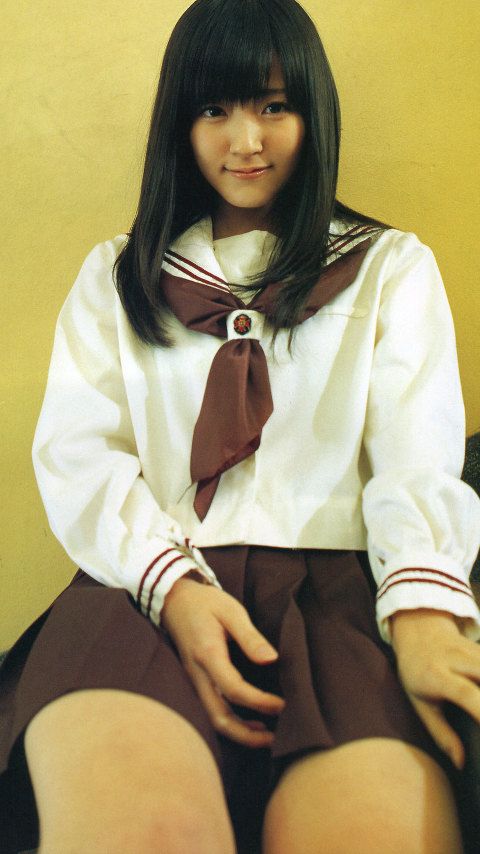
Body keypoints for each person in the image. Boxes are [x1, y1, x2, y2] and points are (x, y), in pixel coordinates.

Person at [1, 0, 480, 851]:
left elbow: (416, 459)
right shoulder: (118, 276)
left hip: (335, 604)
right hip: (145, 591)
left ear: (312, 111)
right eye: (214, 109)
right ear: (179, 124)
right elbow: (81, 455)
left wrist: (422, 612)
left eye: (273, 105)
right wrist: (175, 588)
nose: (245, 140)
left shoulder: (389, 270)